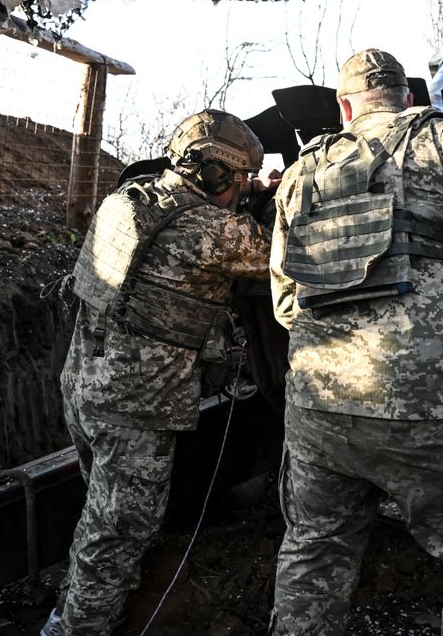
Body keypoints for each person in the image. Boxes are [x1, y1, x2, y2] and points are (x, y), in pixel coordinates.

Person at [268, 49, 443, 635]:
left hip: (316, 409)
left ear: (346, 106)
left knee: (315, 553)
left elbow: (286, 301)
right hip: (424, 410)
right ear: (408, 96)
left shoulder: (301, 170)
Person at [44, 109, 278, 636]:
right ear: (210, 173)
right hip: (136, 406)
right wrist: (276, 201)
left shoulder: (127, 199)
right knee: (121, 533)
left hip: (82, 384)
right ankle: (77, 627)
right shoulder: (214, 231)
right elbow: (285, 253)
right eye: (236, 179)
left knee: (100, 515)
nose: (240, 190)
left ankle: (71, 606)